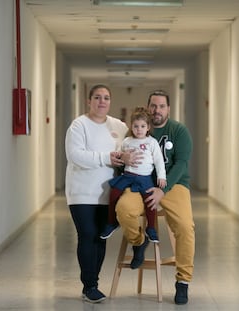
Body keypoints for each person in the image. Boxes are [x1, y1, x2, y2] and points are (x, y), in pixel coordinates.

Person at [115, 90, 195, 305]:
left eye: (161, 106)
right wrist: (123, 158)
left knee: (185, 227)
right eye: (153, 106)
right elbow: (122, 158)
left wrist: (163, 189)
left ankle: (183, 281)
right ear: (147, 106)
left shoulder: (178, 131)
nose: (156, 110)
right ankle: (139, 242)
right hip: (139, 182)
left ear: (168, 109)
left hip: (174, 184)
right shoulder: (134, 132)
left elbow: (181, 164)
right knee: (124, 210)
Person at [65, 84, 129, 303]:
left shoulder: (119, 126)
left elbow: (131, 147)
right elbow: (75, 155)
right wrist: (106, 157)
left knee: (101, 238)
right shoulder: (78, 126)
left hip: (108, 194)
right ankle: (89, 285)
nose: (102, 101)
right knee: (87, 235)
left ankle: (93, 283)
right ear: (89, 101)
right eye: (97, 97)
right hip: (82, 193)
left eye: (106, 98)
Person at [100, 106, 167, 243]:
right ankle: (112, 222)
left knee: (150, 201)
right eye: (136, 126)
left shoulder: (151, 142)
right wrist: (121, 154)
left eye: (142, 126)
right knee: (113, 194)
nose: (139, 129)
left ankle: (151, 228)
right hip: (127, 176)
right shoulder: (127, 141)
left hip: (145, 178)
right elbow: (119, 153)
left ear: (148, 127)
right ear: (131, 126)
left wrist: (162, 176)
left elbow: (159, 161)